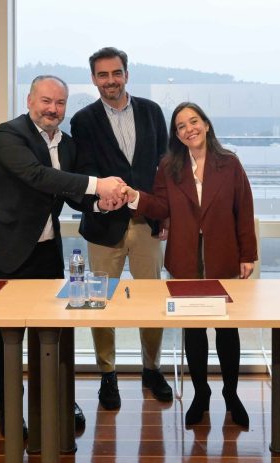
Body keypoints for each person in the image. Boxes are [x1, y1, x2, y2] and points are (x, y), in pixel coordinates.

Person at [0, 75, 127, 438]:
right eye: (46, 101)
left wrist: (100, 203)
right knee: (4, 334)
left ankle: (57, 398)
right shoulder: (8, 134)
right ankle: (8, 407)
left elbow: (72, 194)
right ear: (29, 101)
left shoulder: (67, 144)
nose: (53, 109)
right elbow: (39, 177)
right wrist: (97, 184)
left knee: (52, 331)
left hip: (45, 250)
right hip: (3, 248)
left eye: (60, 103)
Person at [120, 102, 257, 428]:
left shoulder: (230, 163)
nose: (188, 129)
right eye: (181, 126)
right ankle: (201, 394)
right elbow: (160, 206)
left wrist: (247, 254)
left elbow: (244, 209)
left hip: (223, 257)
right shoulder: (169, 166)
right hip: (185, 260)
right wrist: (135, 197)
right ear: (176, 134)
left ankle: (231, 395)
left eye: (193, 121)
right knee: (193, 330)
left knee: (227, 331)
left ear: (206, 125)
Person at [70, 47, 172, 409]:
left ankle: (152, 369)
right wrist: (102, 197)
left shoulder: (151, 112)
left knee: (152, 301)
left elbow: (165, 168)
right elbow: (82, 172)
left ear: (126, 74)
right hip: (103, 225)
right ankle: (107, 374)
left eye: (116, 73)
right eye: (103, 75)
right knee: (99, 303)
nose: (110, 80)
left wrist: (166, 215)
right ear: (94, 79)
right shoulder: (83, 120)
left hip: (146, 222)